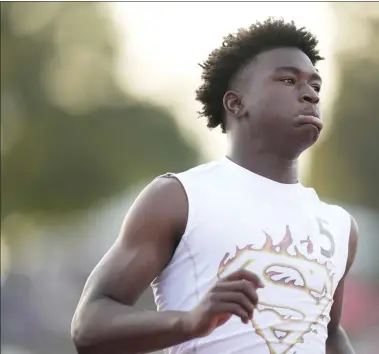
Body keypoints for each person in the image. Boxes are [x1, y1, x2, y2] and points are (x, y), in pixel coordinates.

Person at [71, 18, 358, 354]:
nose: (309, 94)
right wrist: (190, 322)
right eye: (288, 80)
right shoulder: (179, 198)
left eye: (315, 86)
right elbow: (89, 325)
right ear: (236, 103)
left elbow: (330, 334)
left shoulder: (340, 227)